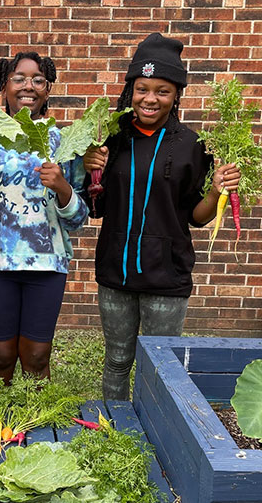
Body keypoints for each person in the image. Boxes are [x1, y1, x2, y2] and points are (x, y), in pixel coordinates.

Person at [82, 32, 241, 400]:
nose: (150, 98)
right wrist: (89, 171)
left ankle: (155, 436)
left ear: (176, 95)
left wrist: (216, 188)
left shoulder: (191, 145)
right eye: (142, 89)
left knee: (161, 366)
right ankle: (114, 430)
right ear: (131, 90)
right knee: (118, 360)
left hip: (167, 276)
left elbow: (197, 217)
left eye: (162, 90)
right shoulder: (111, 138)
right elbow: (96, 208)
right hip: (115, 273)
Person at [0, 52, 89, 382]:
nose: (28, 86)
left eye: (38, 80)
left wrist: (62, 186)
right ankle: (1, 427)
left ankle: (35, 426)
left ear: (48, 89)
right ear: (3, 86)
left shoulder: (65, 141)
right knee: (0, 356)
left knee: (37, 356)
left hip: (46, 263)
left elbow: (78, 218)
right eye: (18, 79)